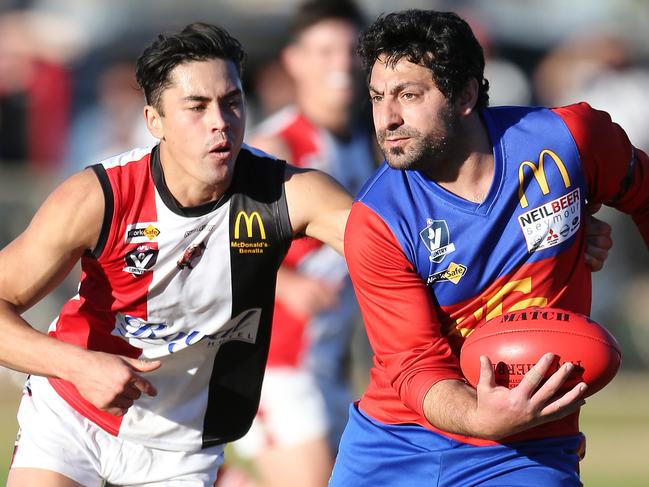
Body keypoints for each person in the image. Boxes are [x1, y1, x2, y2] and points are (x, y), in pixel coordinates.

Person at [0, 22, 351, 487]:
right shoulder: (99, 195)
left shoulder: (286, 192)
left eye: (232, 102)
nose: (220, 122)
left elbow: (392, 254)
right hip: (73, 419)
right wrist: (78, 365)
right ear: (154, 121)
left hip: (182, 445)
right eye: (197, 106)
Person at [329, 9, 648, 487]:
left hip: (526, 446)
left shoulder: (569, 141)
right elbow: (414, 365)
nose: (387, 118)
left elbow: (642, 192)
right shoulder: (376, 221)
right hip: (394, 443)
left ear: (465, 95)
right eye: (377, 98)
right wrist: (482, 417)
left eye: (408, 95)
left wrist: (583, 218)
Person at [229, 2, 376, 486]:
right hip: (273, 364)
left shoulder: (372, 144)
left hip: (328, 364)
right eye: (324, 50)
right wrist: (284, 279)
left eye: (350, 51)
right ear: (294, 60)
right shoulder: (277, 149)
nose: (340, 64)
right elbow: (212, 248)